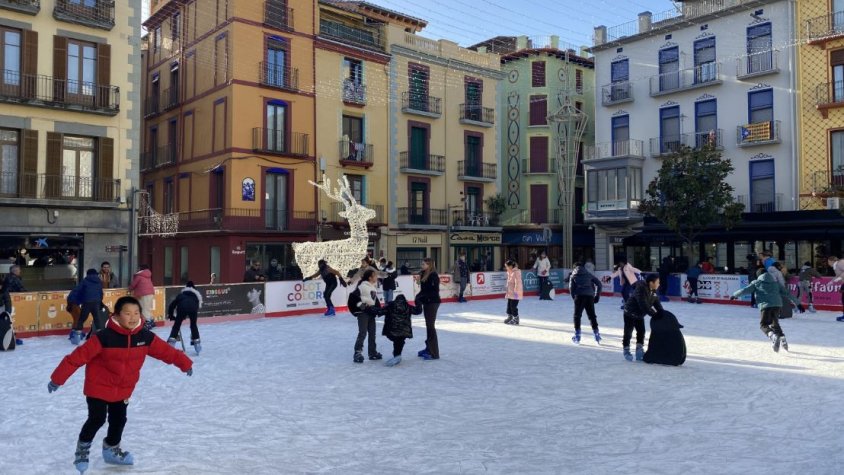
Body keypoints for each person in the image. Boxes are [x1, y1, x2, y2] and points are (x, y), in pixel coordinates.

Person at [47, 296, 193, 472]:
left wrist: (185, 363)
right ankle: (82, 450)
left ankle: (111, 449)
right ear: (116, 315)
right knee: (97, 418)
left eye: (136, 313)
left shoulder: (144, 337)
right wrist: (57, 378)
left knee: (119, 420)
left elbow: (167, 352)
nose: (132, 317)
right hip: (98, 387)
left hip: (123, 389)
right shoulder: (104, 337)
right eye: (127, 313)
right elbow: (76, 358)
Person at [731, 272, 804, 352]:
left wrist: (735, 295)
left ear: (758, 275)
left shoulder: (757, 283)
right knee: (774, 324)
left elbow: (745, 290)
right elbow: (787, 293)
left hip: (765, 306)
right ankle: (783, 339)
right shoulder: (776, 283)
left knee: (763, 325)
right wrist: (798, 304)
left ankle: (773, 336)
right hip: (777, 305)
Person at [622, 274, 664, 362]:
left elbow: (656, 303)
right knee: (628, 332)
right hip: (630, 312)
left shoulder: (654, 291)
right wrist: (654, 314)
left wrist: (662, 313)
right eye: (657, 282)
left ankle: (639, 351)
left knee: (641, 332)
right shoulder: (641, 288)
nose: (659, 284)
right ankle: (626, 350)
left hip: (640, 314)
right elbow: (643, 305)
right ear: (651, 282)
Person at [350, 269, 381, 363]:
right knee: (363, 332)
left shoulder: (373, 287)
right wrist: (362, 306)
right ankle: (357, 353)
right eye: (375, 276)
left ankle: (372, 352)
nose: (376, 277)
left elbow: (374, 300)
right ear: (370, 277)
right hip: (363, 313)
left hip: (371, 313)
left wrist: (378, 309)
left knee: (372, 333)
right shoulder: (362, 286)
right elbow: (352, 298)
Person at [381, 294, 421, 367]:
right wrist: (418, 301)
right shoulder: (408, 307)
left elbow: (380, 311)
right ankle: (397, 354)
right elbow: (418, 311)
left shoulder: (390, 306)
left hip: (391, 331)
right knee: (400, 340)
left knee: (397, 339)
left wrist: (368, 309)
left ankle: (397, 355)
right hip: (404, 331)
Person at [568, 262, 603, 344]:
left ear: (574, 268)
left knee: (577, 316)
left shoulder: (573, 275)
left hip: (579, 296)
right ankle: (596, 334)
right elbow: (599, 284)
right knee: (592, 316)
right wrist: (597, 296)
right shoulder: (588, 274)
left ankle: (577, 336)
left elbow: (571, 288)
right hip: (589, 296)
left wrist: (574, 297)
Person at [68, 269, 105, 345]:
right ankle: (101, 339)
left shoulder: (85, 281)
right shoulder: (99, 281)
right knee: (97, 319)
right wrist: (100, 302)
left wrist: (71, 300)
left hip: (87, 303)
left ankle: (76, 339)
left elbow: (77, 290)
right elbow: (101, 293)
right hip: (96, 302)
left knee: (81, 319)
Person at [167, 281, 203, 354]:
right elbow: (197, 306)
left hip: (182, 308)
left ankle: (171, 342)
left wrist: (171, 316)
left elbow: (171, 306)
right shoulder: (196, 296)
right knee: (193, 325)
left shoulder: (181, 295)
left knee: (177, 325)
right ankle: (196, 342)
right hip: (193, 309)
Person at [415, 258, 441, 360]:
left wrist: (421, 297)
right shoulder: (424, 273)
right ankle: (428, 348)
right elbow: (423, 289)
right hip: (427, 302)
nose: (421, 265)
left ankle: (434, 353)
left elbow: (433, 291)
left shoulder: (433, 275)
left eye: (423, 264)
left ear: (429, 265)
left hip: (433, 302)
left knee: (431, 327)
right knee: (428, 326)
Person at [128, 264, 155, 329]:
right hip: (150, 293)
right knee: (147, 308)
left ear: (140, 268)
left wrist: (129, 289)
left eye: (138, 268)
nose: (137, 269)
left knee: (144, 309)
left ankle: (148, 323)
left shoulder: (139, 276)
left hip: (143, 294)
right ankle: (151, 321)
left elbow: (133, 284)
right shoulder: (147, 275)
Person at [504, 259, 523, 325]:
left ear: (511, 266)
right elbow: (509, 282)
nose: (506, 268)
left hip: (515, 293)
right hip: (510, 292)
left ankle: (516, 319)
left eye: (506, 266)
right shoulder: (509, 272)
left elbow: (518, 283)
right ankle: (510, 316)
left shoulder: (516, 272)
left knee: (513, 306)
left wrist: (516, 292)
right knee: (509, 305)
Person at [829, 256, 844, 321]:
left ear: (832, 261)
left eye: (828, 261)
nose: (828, 263)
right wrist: (831, 281)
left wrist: (839, 278)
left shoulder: (840, 263)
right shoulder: (836, 266)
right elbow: (837, 276)